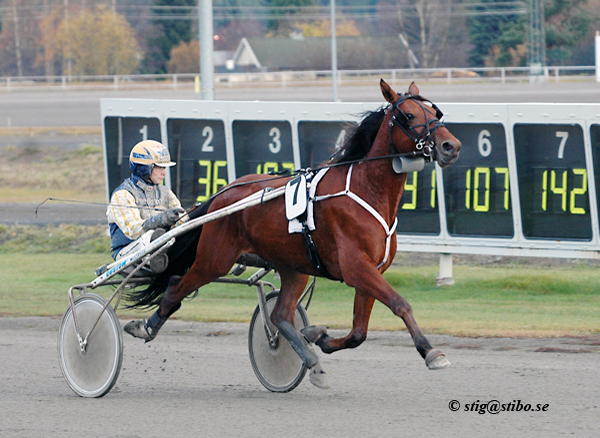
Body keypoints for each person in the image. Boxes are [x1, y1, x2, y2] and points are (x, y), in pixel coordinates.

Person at [106, 139, 185, 273]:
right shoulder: (123, 194)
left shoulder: (166, 193)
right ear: (144, 168)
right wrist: (162, 219)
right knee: (154, 236)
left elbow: (183, 220)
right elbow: (134, 231)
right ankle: (158, 257)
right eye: (159, 167)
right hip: (127, 252)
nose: (164, 173)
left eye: (164, 168)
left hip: (160, 245)